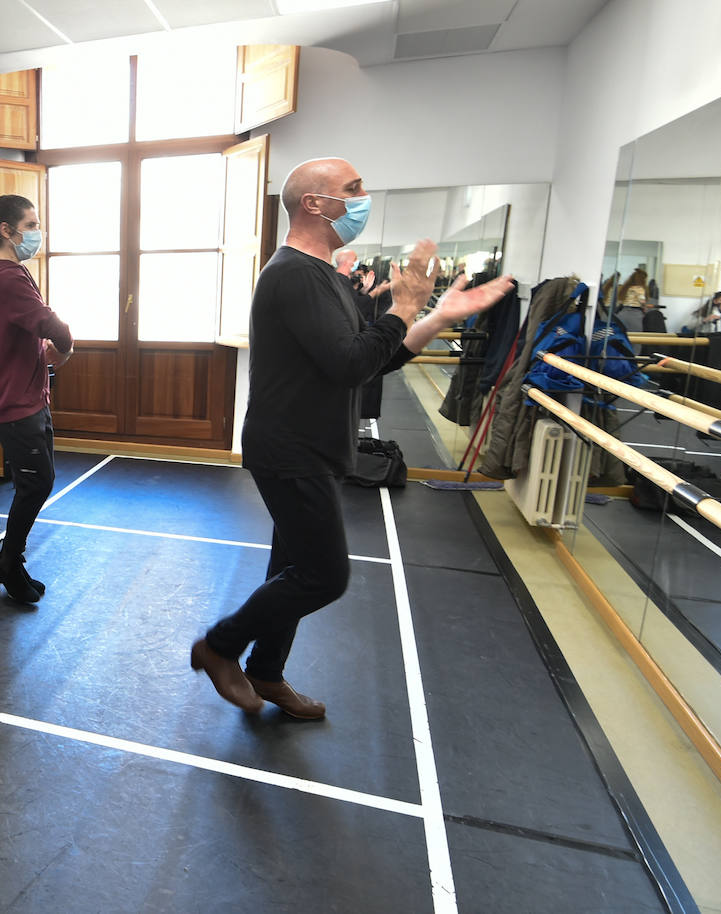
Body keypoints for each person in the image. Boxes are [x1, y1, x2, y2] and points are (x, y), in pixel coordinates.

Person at [189, 157, 514, 719]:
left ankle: (266, 672)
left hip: (312, 446)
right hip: (289, 449)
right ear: (315, 203)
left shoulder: (326, 278)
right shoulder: (292, 273)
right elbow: (349, 363)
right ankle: (219, 647)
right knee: (322, 576)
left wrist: (433, 320)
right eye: (353, 188)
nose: (365, 196)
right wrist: (405, 305)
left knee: (290, 570)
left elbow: (367, 362)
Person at [0, 195, 73, 604]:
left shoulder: (13, 273)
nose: (37, 232)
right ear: (6, 231)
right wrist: (65, 348)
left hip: (29, 396)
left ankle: (11, 560)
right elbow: (50, 323)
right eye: (30, 225)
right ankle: (9, 564)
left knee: (37, 482)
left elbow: (37, 324)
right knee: (36, 484)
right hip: (15, 402)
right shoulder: (9, 278)